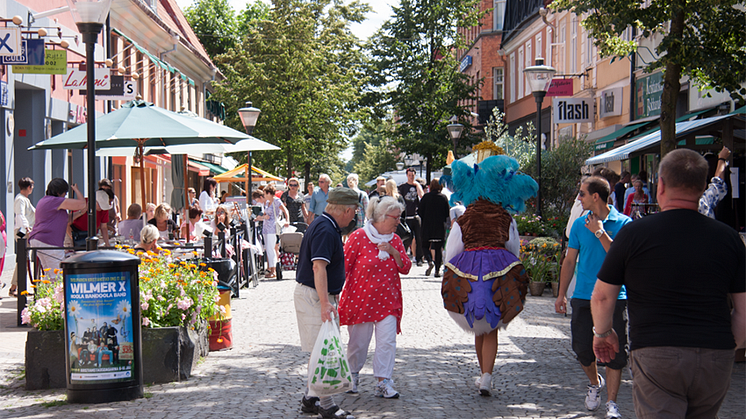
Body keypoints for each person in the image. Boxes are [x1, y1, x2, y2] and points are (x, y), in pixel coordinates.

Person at [592, 149, 745, 419]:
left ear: (660, 186)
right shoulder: (729, 239)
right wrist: (725, 346)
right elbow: (744, 310)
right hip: (714, 354)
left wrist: (603, 333)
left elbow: (603, 296)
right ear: (701, 186)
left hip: (656, 352)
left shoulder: (634, 234)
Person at [441, 155, 536, 396]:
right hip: (499, 271)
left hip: (469, 272)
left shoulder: (464, 218)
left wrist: (454, 271)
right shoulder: (506, 217)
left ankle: (483, 374)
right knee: (492, 325)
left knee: (477, 324)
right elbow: (513, 248)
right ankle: (486, 376)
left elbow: (452, 252)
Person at [554, 176, 632, 419]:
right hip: (583, 296)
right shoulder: (578, 225)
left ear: (595, 196)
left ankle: (611, 403)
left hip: (614, 297)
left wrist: (600, 233)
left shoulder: (625, 223)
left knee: (615, 354)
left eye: (582, 194)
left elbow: (623, 259)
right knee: (582, 350)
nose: (579, 198)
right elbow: (569, 261)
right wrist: (561, 295)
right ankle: (594, 382)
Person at [294, 188, 359, 419]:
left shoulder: (324, 224)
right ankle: (327, 404)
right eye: (354, 212)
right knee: (322, 351)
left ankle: (311, 399)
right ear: (346, 210)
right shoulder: (326, 229)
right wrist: (324, 303)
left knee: (319, 347)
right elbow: (318, 267)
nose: (354, 217)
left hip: (317, 295)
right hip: (315, 295)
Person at [339, 196, 411, 398]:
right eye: (396, 218)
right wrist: (332, 294)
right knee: (358, 343)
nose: (399, 222)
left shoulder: (395, 240)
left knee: (387, 342)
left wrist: (393, 252)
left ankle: (384, 381)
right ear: (382, 216)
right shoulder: (359, 236)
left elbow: (405, 267)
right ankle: (352, 376)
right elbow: (344, 267)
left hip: (388, 301)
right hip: (360, 300)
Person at [28, 179, 86, 271]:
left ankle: (47, 285)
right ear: (59, 192)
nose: (65, 196)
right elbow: (82, 204)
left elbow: (64, 219)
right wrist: (76, 190)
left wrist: (80, 213)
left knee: (49, 273)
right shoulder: (55, 201)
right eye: (65, 193)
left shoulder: (45, 201)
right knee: (57, 274)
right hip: (49, 242)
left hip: (40, 240)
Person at [255, 184, 289, 279]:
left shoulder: (276, 201)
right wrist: (260, 217)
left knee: (271, 249)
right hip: (266, 227)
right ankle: (272, 269)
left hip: (273, 228)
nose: (264, 195)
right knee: (269, 249)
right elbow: (265, 214)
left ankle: (273, 270)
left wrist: (287, 220)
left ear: (269, 193)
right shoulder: (267, 202)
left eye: (265, 193)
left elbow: (285, 211)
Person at [417, 178, 450, 277]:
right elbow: (446, 213)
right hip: (439, 226)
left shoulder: (426, 197)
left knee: (424, 246)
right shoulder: (443, 198)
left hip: (427, 226)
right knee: (438, 248)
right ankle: (437, 270)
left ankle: (430, 261)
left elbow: (420, 211)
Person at [10, 177, 35, 297]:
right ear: (29, 187)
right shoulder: (20, 199)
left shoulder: (24, 199)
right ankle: (16, 287)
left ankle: (16, 287)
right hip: (23, 232)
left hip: (25, 231)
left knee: (23, 260)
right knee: (23, 260)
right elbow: (20, 215)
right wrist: (27, 228)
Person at [398, 168, 424, 265]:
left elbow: (422, 196)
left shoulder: (417, 186)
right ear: (407, 175)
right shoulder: (402, 187)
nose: (411, 177)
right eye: (409, 175)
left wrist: (417, 185)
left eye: (412, 175)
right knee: (407, 238)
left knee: (419, 237)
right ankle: (403, 257)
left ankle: (419, 258)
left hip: (416, 216)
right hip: (406, 216)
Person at [699, 146, 731, 218]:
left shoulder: (668, 208)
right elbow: (718, 185)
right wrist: (721, 159)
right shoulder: (702, 204)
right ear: (704, 185)